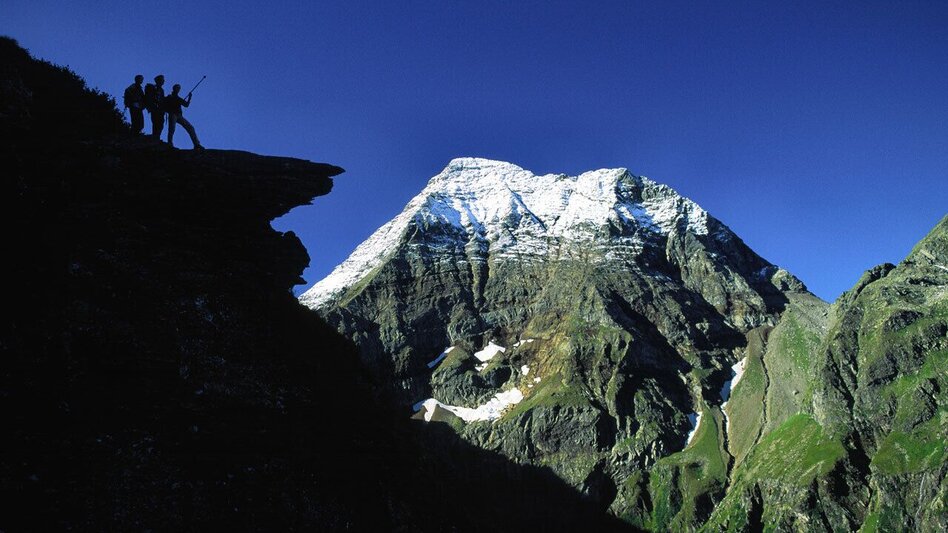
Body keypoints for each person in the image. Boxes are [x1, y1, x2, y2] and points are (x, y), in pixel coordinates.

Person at [163, 83, 204, 150]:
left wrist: (189, 98)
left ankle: (196, 144)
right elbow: (165, 105)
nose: (178, 90)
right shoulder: (169, 97)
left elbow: (186, 105)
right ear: (174, 89)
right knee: (172, 129)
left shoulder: (178, 98)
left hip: (178, 115)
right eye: (177, 88)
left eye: (179, 88)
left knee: (190, 128)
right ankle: (169, 144)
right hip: (172, 114)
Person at [144, 74, 166, 139]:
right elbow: (150, 98)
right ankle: (155, 137)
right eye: (162, 80)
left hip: (159, 109)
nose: (164, 81)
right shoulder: (154, 88)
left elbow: (162, 99)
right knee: (156, 123)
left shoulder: (161, 90)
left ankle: (156, 137)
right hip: (155, 108)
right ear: (159, 81)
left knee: (160, 123)